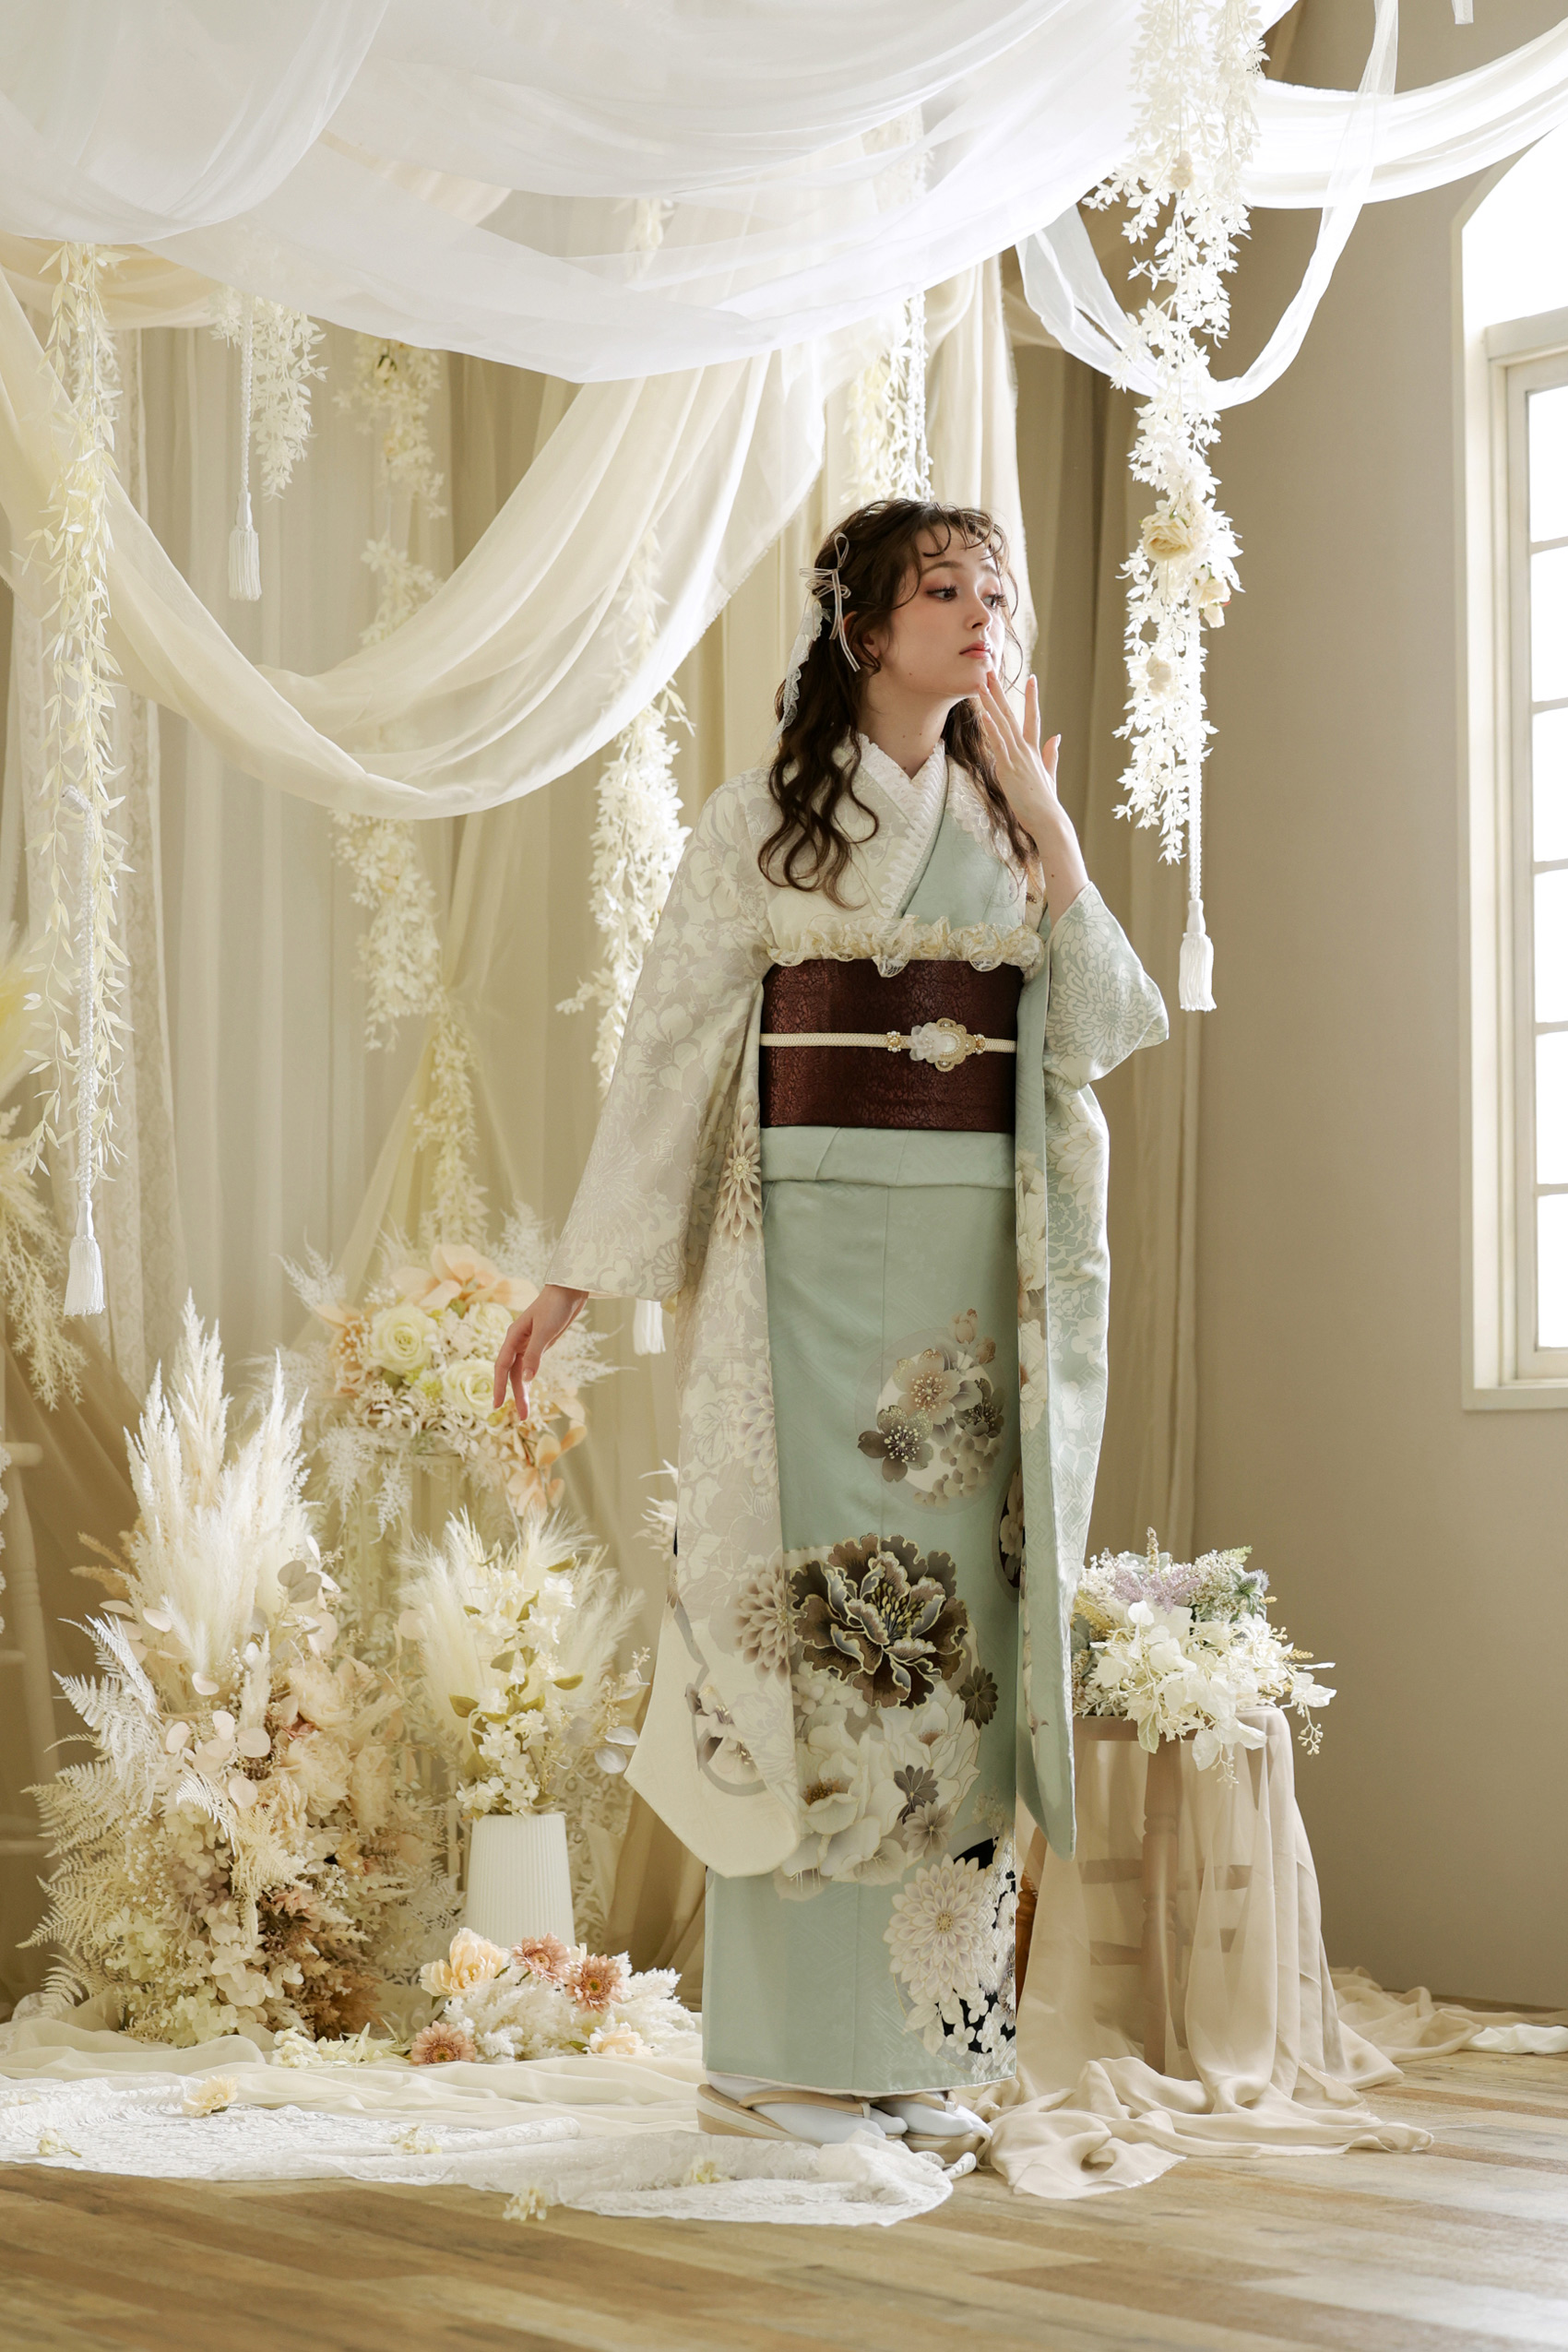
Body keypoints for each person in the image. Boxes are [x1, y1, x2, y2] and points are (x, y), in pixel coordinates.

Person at [494, 499, 1167, 2159]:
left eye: (994, 590)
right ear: (866, 629)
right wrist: (577, 1271)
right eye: (943, 589)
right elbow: (670, 1047)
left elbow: (1098, 1022)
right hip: (805, 1257)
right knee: (813, 1632)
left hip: (963, 1274)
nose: (981, 613)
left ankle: (923, 2051)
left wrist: (1050, 828)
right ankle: (778, 2060)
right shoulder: (763, 823)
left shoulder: (1007, 823)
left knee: (958, 1636)